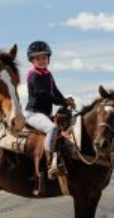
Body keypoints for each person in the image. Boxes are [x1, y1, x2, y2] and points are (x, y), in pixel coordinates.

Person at [23, 40, 75, 194]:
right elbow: (45, 95)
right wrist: (62, 101)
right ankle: (48, 164)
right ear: (32, 61)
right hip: (33, 113)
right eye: (38, 58)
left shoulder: (48, 74)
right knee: (52, 128)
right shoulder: (33, 75)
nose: (42, 60)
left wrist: (66, 102)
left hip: (45, 113)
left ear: (48, 59)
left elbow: (55, 91)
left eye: (44, 57)